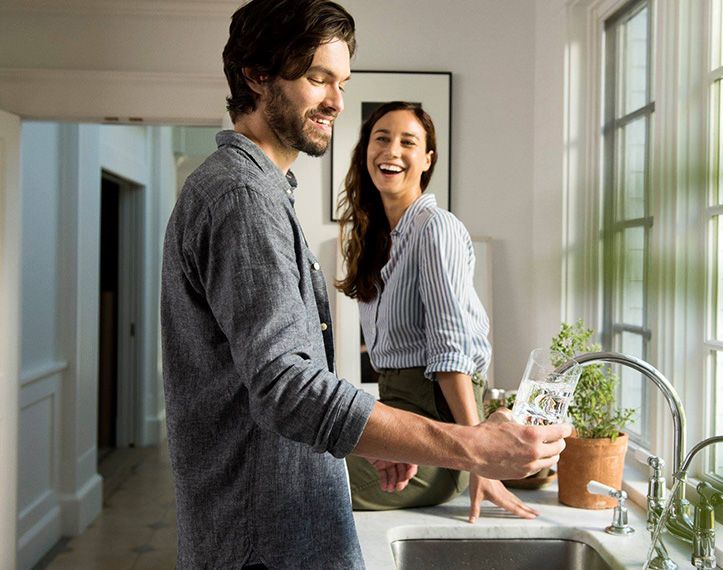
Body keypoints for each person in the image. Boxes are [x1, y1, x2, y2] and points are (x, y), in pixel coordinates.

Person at [160, 1, 572, 568]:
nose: (336, 101)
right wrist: (472, 446)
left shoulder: (258, 192)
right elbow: (289, 387)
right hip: (269, 537)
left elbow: (286, 379)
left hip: (270, 521)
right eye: (316, 78)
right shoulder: (242, 199)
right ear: (256, 75)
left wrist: (373, 439)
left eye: (342, 82)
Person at [336, 102, 538, 523]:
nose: (392, 150)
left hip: (442, 443)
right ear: (365, 152)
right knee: (297, 460)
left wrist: (479, 458)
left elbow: (451, 351)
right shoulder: (379, 239)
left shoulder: (435, 229)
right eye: (381, 138)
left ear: (427, 160)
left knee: (310, 480)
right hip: (401, 429)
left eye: (408, 142)